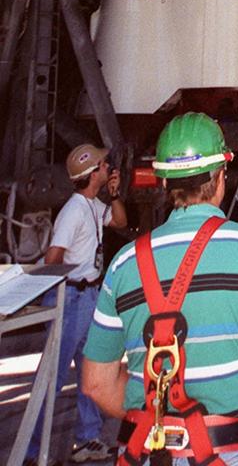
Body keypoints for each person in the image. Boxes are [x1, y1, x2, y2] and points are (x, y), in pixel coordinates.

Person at [82, 113, 238, 466]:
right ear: (221, 178)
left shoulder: (124, 263)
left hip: (142, 453)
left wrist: (157, 418)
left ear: (164, 184)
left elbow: (96, 383)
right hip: (229, 453)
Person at [24, 143, 126, 466]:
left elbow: (121, 222)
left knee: (89, 373)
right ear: (92, 172)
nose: (108, 167)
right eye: (103, 165)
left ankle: (88, 439)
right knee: (51, 380)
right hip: (72, 298)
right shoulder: (73, 211)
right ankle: (30, 453)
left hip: (89, 297)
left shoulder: (95, 205)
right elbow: (54, 257)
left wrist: (114, 193)